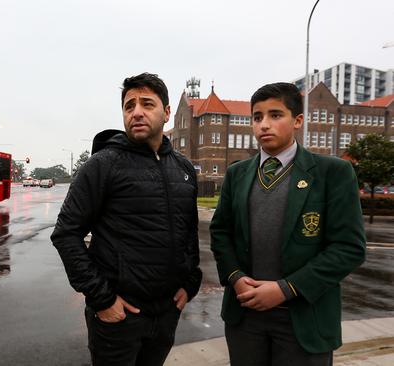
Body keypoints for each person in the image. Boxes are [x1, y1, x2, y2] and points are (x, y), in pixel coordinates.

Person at [51, 72, 202, 366]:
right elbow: (66, 233)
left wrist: (191, 281)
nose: (136, 112)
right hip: (119, 317)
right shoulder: (103, 165)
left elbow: (188, 231)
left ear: (167, 113)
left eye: (147, 104)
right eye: (129, 105)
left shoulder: (183, 167)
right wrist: (102, 300)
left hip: (167, 313)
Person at [210, 82, 366, 366]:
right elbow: (221, 232)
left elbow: (348, 248)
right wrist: (234, 277)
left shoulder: (333, 173)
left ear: (297, 120)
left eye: (275, 115)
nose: (264, 125)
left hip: (303, 318)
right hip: (245, 317)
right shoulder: (237, 174)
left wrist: (286, 288)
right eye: (257, 117)